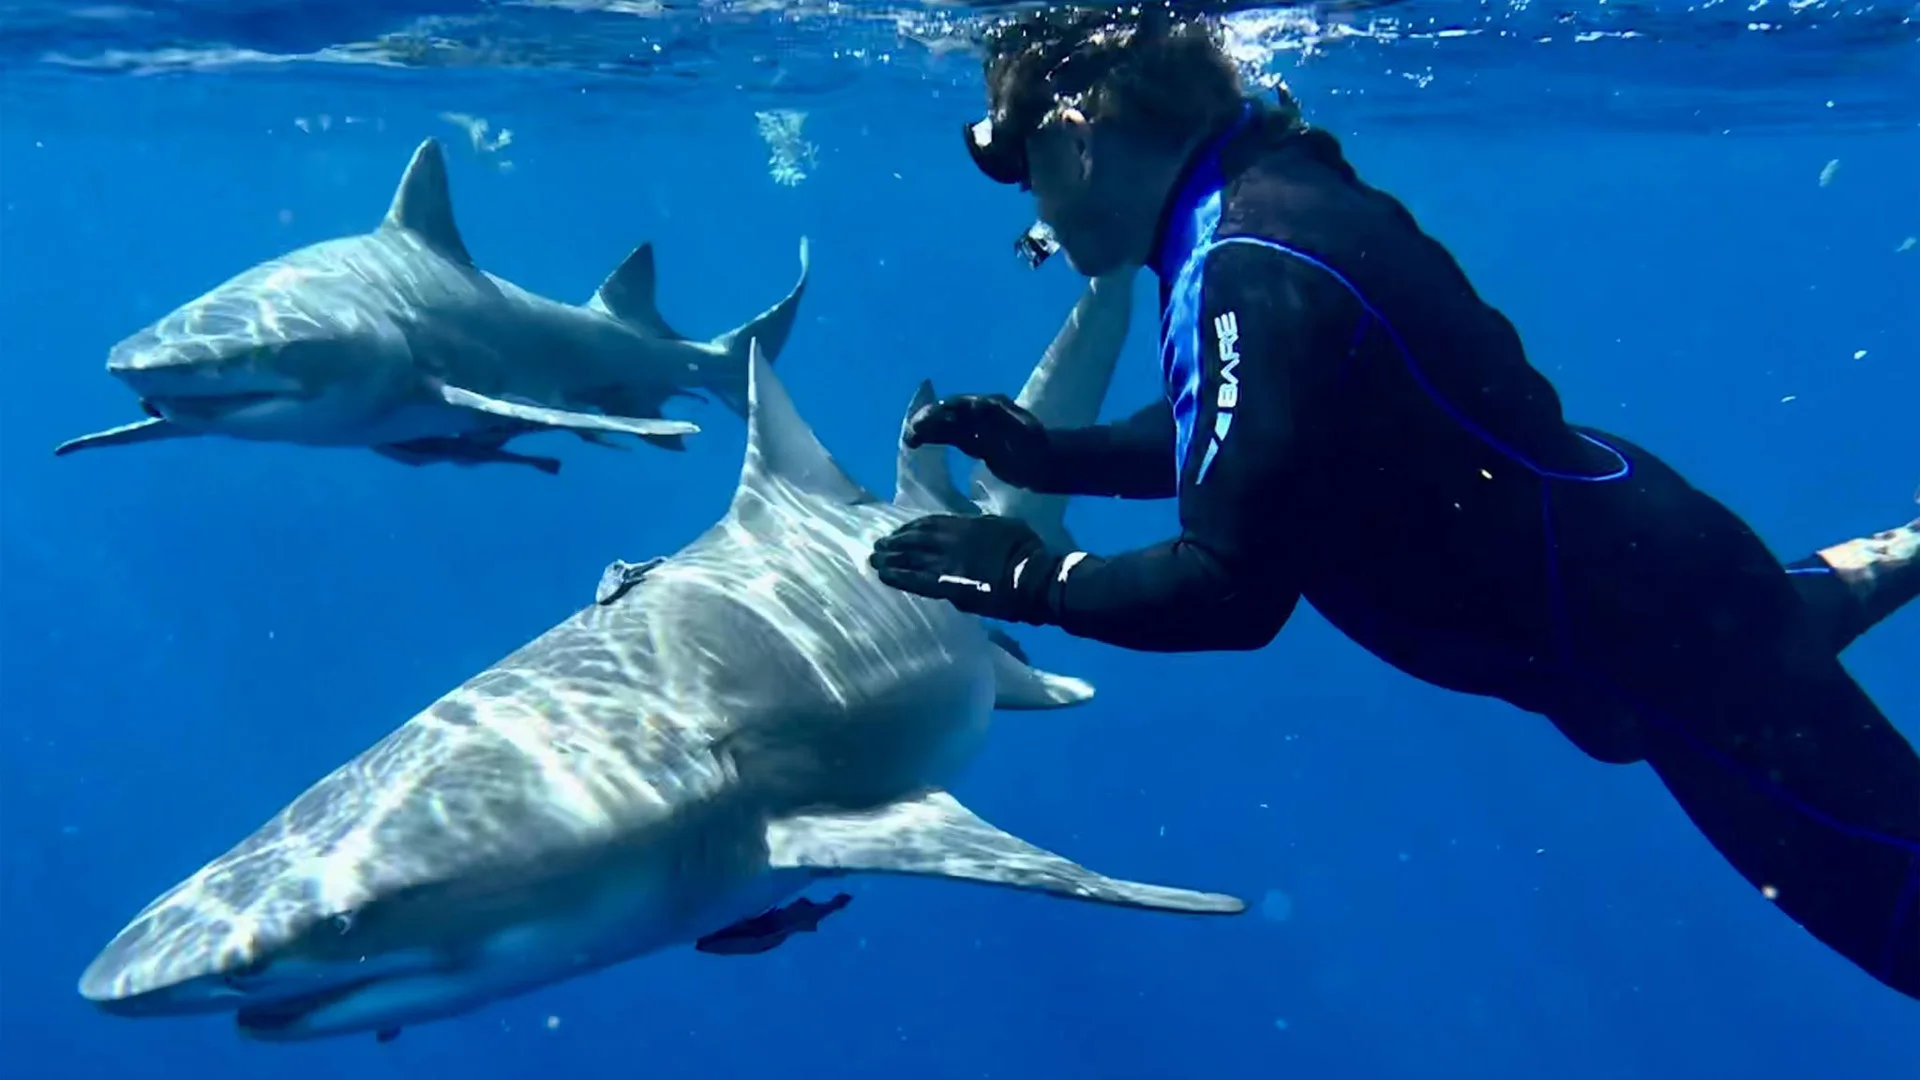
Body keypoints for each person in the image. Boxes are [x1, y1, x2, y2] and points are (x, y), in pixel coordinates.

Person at [866, 6, 1920, 1001]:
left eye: (1021, 170)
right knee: (1761, 632)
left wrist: (1034, 581)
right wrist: (1054, 456)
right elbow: (1265, 435)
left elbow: (1230, 589)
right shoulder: (1252, 200)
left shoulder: (1248, 261)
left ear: (1075, 133)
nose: (1032, 205)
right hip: (1638, 592)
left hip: (1669, 648)